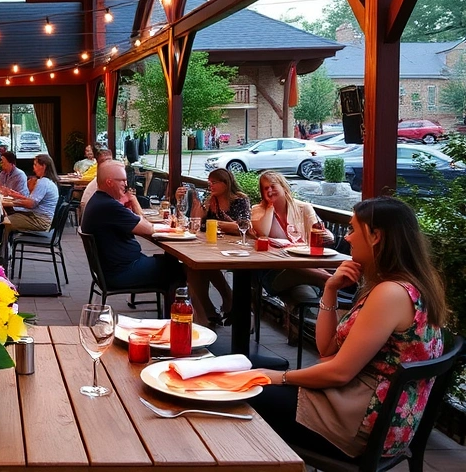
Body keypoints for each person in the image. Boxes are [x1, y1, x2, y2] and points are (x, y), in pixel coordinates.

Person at [251, 197, 446, 460]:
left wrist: (280, 377)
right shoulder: (407, 285)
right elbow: (326, 348)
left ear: (376, 236)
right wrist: (330, 289)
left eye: (354, 229)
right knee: (250, 376)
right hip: (367, 412)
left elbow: (339, 373)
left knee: (244, 394)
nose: (349, 238)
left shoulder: (390, 293)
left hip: (362, 426)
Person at [80, 161, 184, 294]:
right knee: (177, 269)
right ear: (109, 182)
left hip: (112, 269)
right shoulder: (109, 206)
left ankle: (195, 311)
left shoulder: (98, 201)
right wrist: (134, 202)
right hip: (121, 272)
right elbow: (148, 229)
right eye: (122, 180)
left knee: (170, 262)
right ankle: (179, 312)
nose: (126, 184)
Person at [175, 168, 252, 325]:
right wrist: (184, 202)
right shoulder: (211, 201)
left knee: (201, 265)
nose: (211, 186)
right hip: (213, 245)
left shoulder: (240, 200)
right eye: (209, 182)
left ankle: (225, 302)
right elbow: (195, 222)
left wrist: (217, 224)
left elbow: (243, 227)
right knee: (192, 266)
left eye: (214, 182)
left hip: (237, 247)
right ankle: (211, 309)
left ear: (226, 183)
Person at [251, 170, 334, 306]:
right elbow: (263, 233)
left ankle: (327, 280)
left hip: (306, 265)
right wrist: (270, 207)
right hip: (274, 271)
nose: (269, 190)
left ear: (283, 187)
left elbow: (319, 230)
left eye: (273, 186)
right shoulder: (258, 210)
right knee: (289, 260)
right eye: (265, 188)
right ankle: (328, 278)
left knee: (303, 291)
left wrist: (327, 236)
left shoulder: (303, 208)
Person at [2, 154, 59, 232]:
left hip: (39, 220)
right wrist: (16, 195)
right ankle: (8, 243)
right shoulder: (48, 182)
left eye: (35, 165)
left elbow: (31, 204)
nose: (33, 168)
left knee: (3, 222)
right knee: (8, 216)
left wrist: (12, 203)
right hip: (38, 217)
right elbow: (33, 200)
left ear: (43, 166)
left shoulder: (43, 182)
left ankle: (4, 243)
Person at [79, 149, 115, 215]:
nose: (107, 164)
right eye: (104, 162)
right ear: (98, 165)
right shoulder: (104, 183)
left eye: (109, 161)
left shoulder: (104, 181)